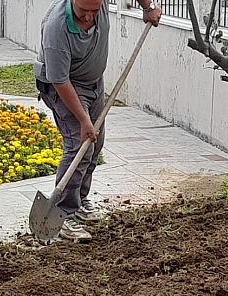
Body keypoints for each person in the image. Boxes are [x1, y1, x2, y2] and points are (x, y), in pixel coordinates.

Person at [34, 0, 162, 243]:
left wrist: (148, 8)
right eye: (84, 11)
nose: (90, 17)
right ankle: (64, 214)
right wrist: (83, 121)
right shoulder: (56, 28)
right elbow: (60, 81)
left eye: (95, 11)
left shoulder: (95, 6)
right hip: (65, 87)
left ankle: (79, 201)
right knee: (79, 146)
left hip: (93, 83)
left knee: (96, 143)